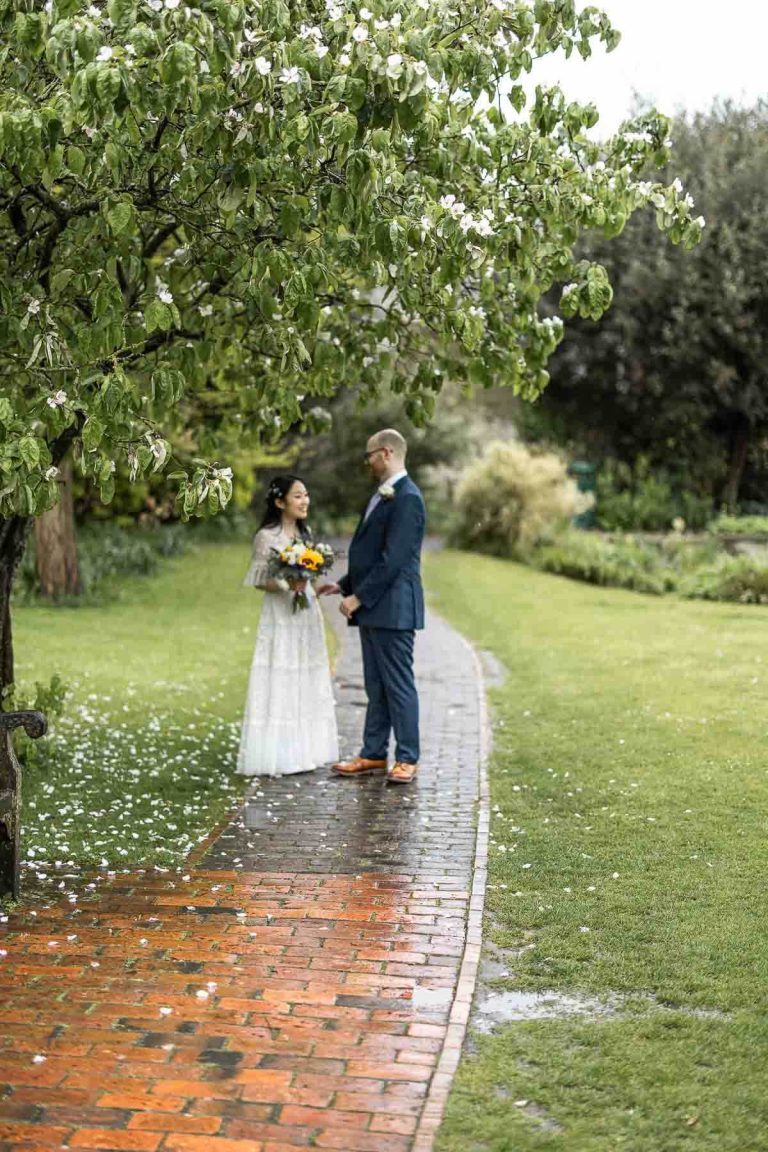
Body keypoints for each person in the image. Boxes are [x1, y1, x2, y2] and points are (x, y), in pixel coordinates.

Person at [318, 429, 425, 785]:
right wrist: (345, 584)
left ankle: (407, 757)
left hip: (394, 609)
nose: (367, 462)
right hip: (376, 607)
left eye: (370, 455)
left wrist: (358, 597)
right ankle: (374, 753)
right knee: (376, 685)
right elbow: (372, 554)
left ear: (387, 452)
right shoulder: (382, 496)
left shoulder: (408, 498)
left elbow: (394, 560)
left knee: (398, 684)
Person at [237, 474, 339, 777]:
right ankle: (278, 754)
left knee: (305, 672)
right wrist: (286, 583)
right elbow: (259, 581)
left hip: (306, 612)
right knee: (281, 672)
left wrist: (312, 585)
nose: (305, 501)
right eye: (298, 496)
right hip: (280, 614)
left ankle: (306, 751)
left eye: (306, 495)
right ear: (280, 501)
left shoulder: (307, 536)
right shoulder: (266, 537)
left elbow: (310, 576)